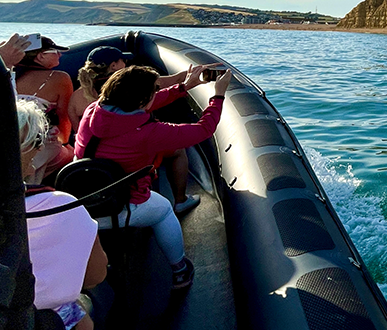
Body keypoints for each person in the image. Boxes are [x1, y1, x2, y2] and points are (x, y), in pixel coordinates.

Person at [75, 64, 231, 290]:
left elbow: (141, 105)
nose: (155, 94)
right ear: (141, 101)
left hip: (83, 199)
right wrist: (218, 95)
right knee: (164, 211)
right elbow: (203, 130)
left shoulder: (94, 110)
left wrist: (185, 87)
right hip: (119, 206)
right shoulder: (150, 133)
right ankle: (180, 271)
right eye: (153, 90)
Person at [68, 46, 203, 214]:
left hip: (88, 170)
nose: (126, 62)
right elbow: (174, 82)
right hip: (125, 170)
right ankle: (180, 200)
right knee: (178, 151)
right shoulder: (129, 86)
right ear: (114, 66)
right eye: (123, 60)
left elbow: (75, 131)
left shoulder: (78, 98)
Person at [20, 100, 108, 330]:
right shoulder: (63, 206)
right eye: (37, 140)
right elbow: (95, 276)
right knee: (80, 313)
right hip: (39, 317)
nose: (41, 147)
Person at [15, 36, 73, 145]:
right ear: (41, 56)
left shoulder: (9, 75)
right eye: (55, 51)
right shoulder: (60, 78)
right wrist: (65, 144)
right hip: (40, 144)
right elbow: (63, 117)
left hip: (12, 141)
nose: (60, 54)